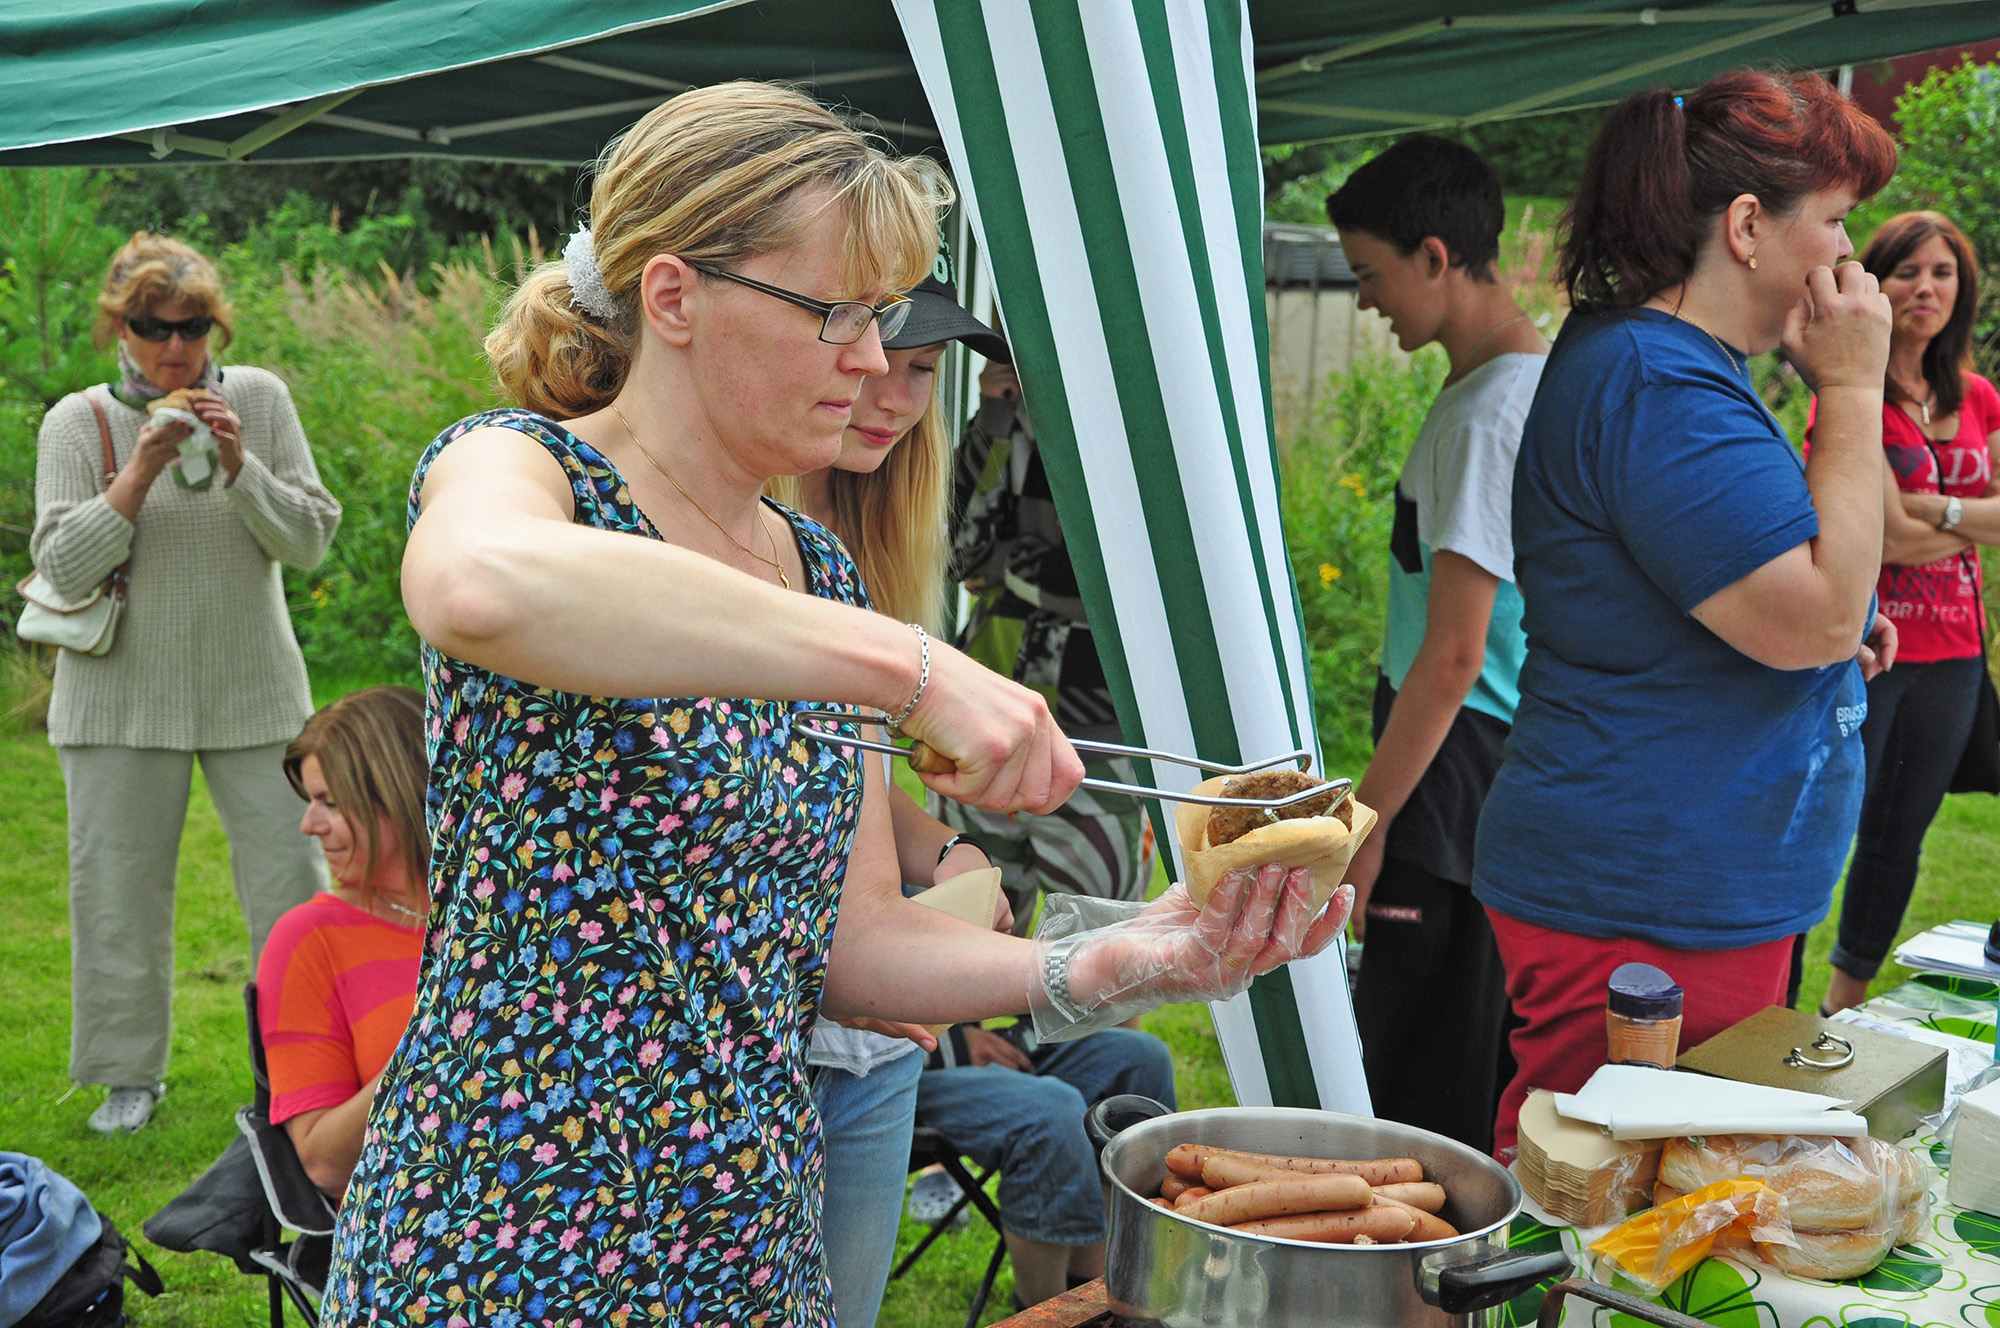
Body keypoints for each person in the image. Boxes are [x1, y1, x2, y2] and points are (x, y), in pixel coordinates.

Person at [320, 82, 1346, 1328]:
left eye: (879, 318)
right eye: (833, 315)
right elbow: (476, 584)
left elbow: (856, 947)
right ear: (674, 294)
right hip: (510, 1217)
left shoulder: (817, 567)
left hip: (746, 1220)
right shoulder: (522, 466)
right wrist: (911, 666)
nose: (871, 361)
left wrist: (1132, 959)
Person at [1473, 69, 1900, 1156]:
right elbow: (1805, 614)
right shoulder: (1657, 383)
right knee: (1600, 1209)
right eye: (1836, 223)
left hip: (1676, 882)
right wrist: (1850, 391)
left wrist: (1832, 633)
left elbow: (1781, 592)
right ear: (1749, 226)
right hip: (1643, 896)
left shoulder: (1670, 365)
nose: (1848, 261)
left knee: (1665, 1203)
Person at [30, 232, 343, 1136]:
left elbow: (310, 540)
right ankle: (128, 1077)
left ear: (216, 324)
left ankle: (308, 1071)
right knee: (117, 895)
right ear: (118, 325)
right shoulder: (75, 421)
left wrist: (241, 467)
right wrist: (137, 473)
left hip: (254, 690)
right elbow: (60, 566)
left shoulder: (260, 400)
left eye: (192, 324)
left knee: (294, 886)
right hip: (118, 698)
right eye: (151, 326)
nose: (174, 346)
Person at [788, 269, 1014, 1328]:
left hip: (876, 1035)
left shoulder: (880, 531)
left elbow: (854, 773)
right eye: (869, 348)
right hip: (763, 1014)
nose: (887, 387)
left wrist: (946, 852)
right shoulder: (716, 529)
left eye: (921, 368)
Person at [1326, 135, 1546, 1156]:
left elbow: (1456, 656)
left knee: (1418, 1100)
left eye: (1370, 275)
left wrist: (1368, 822)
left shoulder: (1492, 411)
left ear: (1433, 255)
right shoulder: (1491, 391)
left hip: (1453, 778)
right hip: (1458, 766)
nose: (1366, 302)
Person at [1812, 213, 2000, 1015]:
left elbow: (1908, 523)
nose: (1926, 288)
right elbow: (1877, 532)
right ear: (1878, 285)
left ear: (1962, 291)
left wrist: (1931, 511)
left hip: (1955, 655)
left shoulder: (1981, 399)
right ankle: (1767, 998)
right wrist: (1964, 518)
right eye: (1907, 272)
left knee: (1900, 840)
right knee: (1824, 829)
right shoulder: (1854, 396)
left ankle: (1839, 1006)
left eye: (1943, 273)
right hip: (1871, 650)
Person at [939, 337, 1155, 934]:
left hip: (1100, 735)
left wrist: (1013, 571)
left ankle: (1093, 1038)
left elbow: (1130, 592)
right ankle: (976, 1036)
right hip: (986, 715)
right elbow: (958, 556)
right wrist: (997, 416)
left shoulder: (1138, 424)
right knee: (967, 931)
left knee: (1100, 948)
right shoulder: (1010, 422)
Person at [257, 687, 430, 1202]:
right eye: (312, 802)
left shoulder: (501, 911)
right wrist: (433, 1047)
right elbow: (324, 1164)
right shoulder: (309, 942)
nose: (309, 825)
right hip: (414, 1225)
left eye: (330, 803)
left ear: (398, 795)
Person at [917, 1018, 1174, 1308]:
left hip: (973, 1041)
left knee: (1141, 1058)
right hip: (897, 1072)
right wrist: (949, 1047)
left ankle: (1099, 1293)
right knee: (1052, 1115)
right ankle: (1045, 1312)